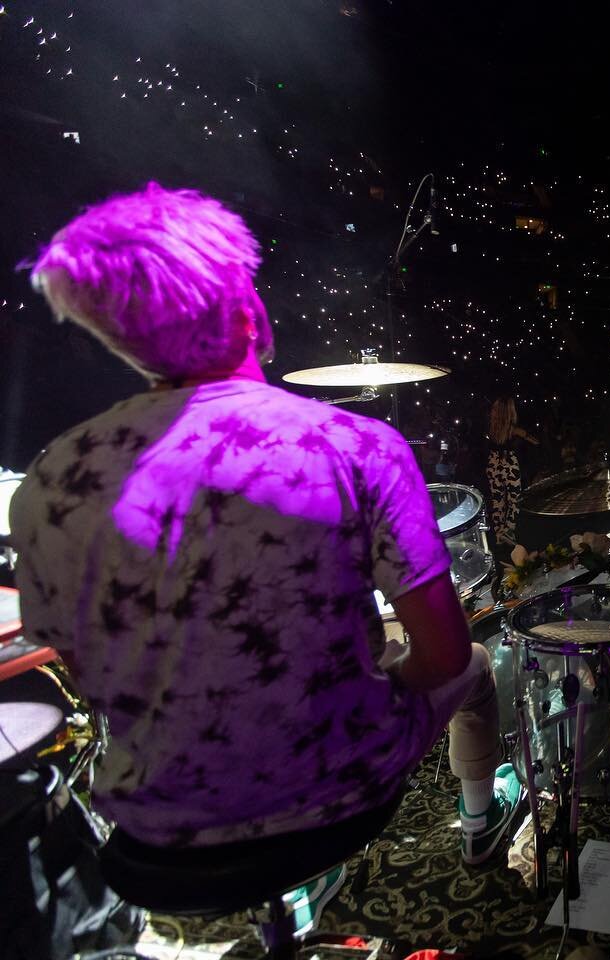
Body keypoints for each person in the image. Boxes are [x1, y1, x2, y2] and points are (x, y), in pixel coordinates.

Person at [10, 185, 522, 906]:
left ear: (116, 339)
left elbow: (92, 666)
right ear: (249, 310)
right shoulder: (354, 445)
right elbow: (436, 656)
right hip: (339, 794)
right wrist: (361, 689)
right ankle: (481, 820)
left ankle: (297, 910)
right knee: (473, 663)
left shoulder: (48, 480)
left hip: (154, 827)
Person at [485, 396, 537, 548]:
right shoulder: (514, 430)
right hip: (508, 462)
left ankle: (499, 534)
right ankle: (508, 531)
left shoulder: (490, 428)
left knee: (497, 500)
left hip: (493, 463)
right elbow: (535, 441)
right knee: (514, 499)